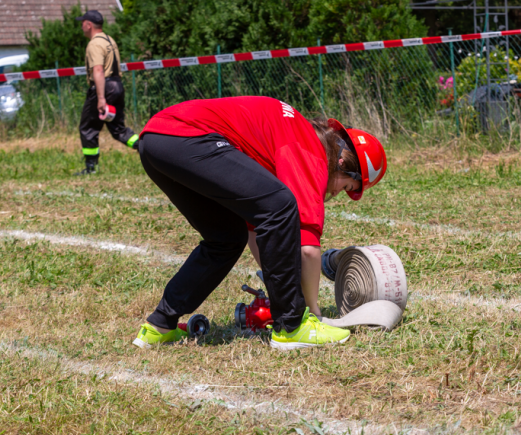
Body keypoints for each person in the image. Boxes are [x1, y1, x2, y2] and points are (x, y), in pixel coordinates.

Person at [132, 96, 387, 350]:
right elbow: (307, 247)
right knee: (282, 204)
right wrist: (311, 312)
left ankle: (160, 326)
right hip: (188, 136)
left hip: (157, 140)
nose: (340, 192)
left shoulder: (290, 139)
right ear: (343, 163)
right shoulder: (311, 152)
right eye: (348, 186)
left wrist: (281, 284)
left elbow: (259, 231)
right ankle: (291, 327)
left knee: (226, 238)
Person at [75, 10, 139, 175]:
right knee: (118, 129)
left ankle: (91, 168)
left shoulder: (95, 44)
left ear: (89, 24)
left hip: (105, 87)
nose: (81, 26)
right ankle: (145, 147)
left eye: (83, 23)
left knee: (88, 127)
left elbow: (98, 69)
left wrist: (101, 98)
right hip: (117, 86)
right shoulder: (109, 40)